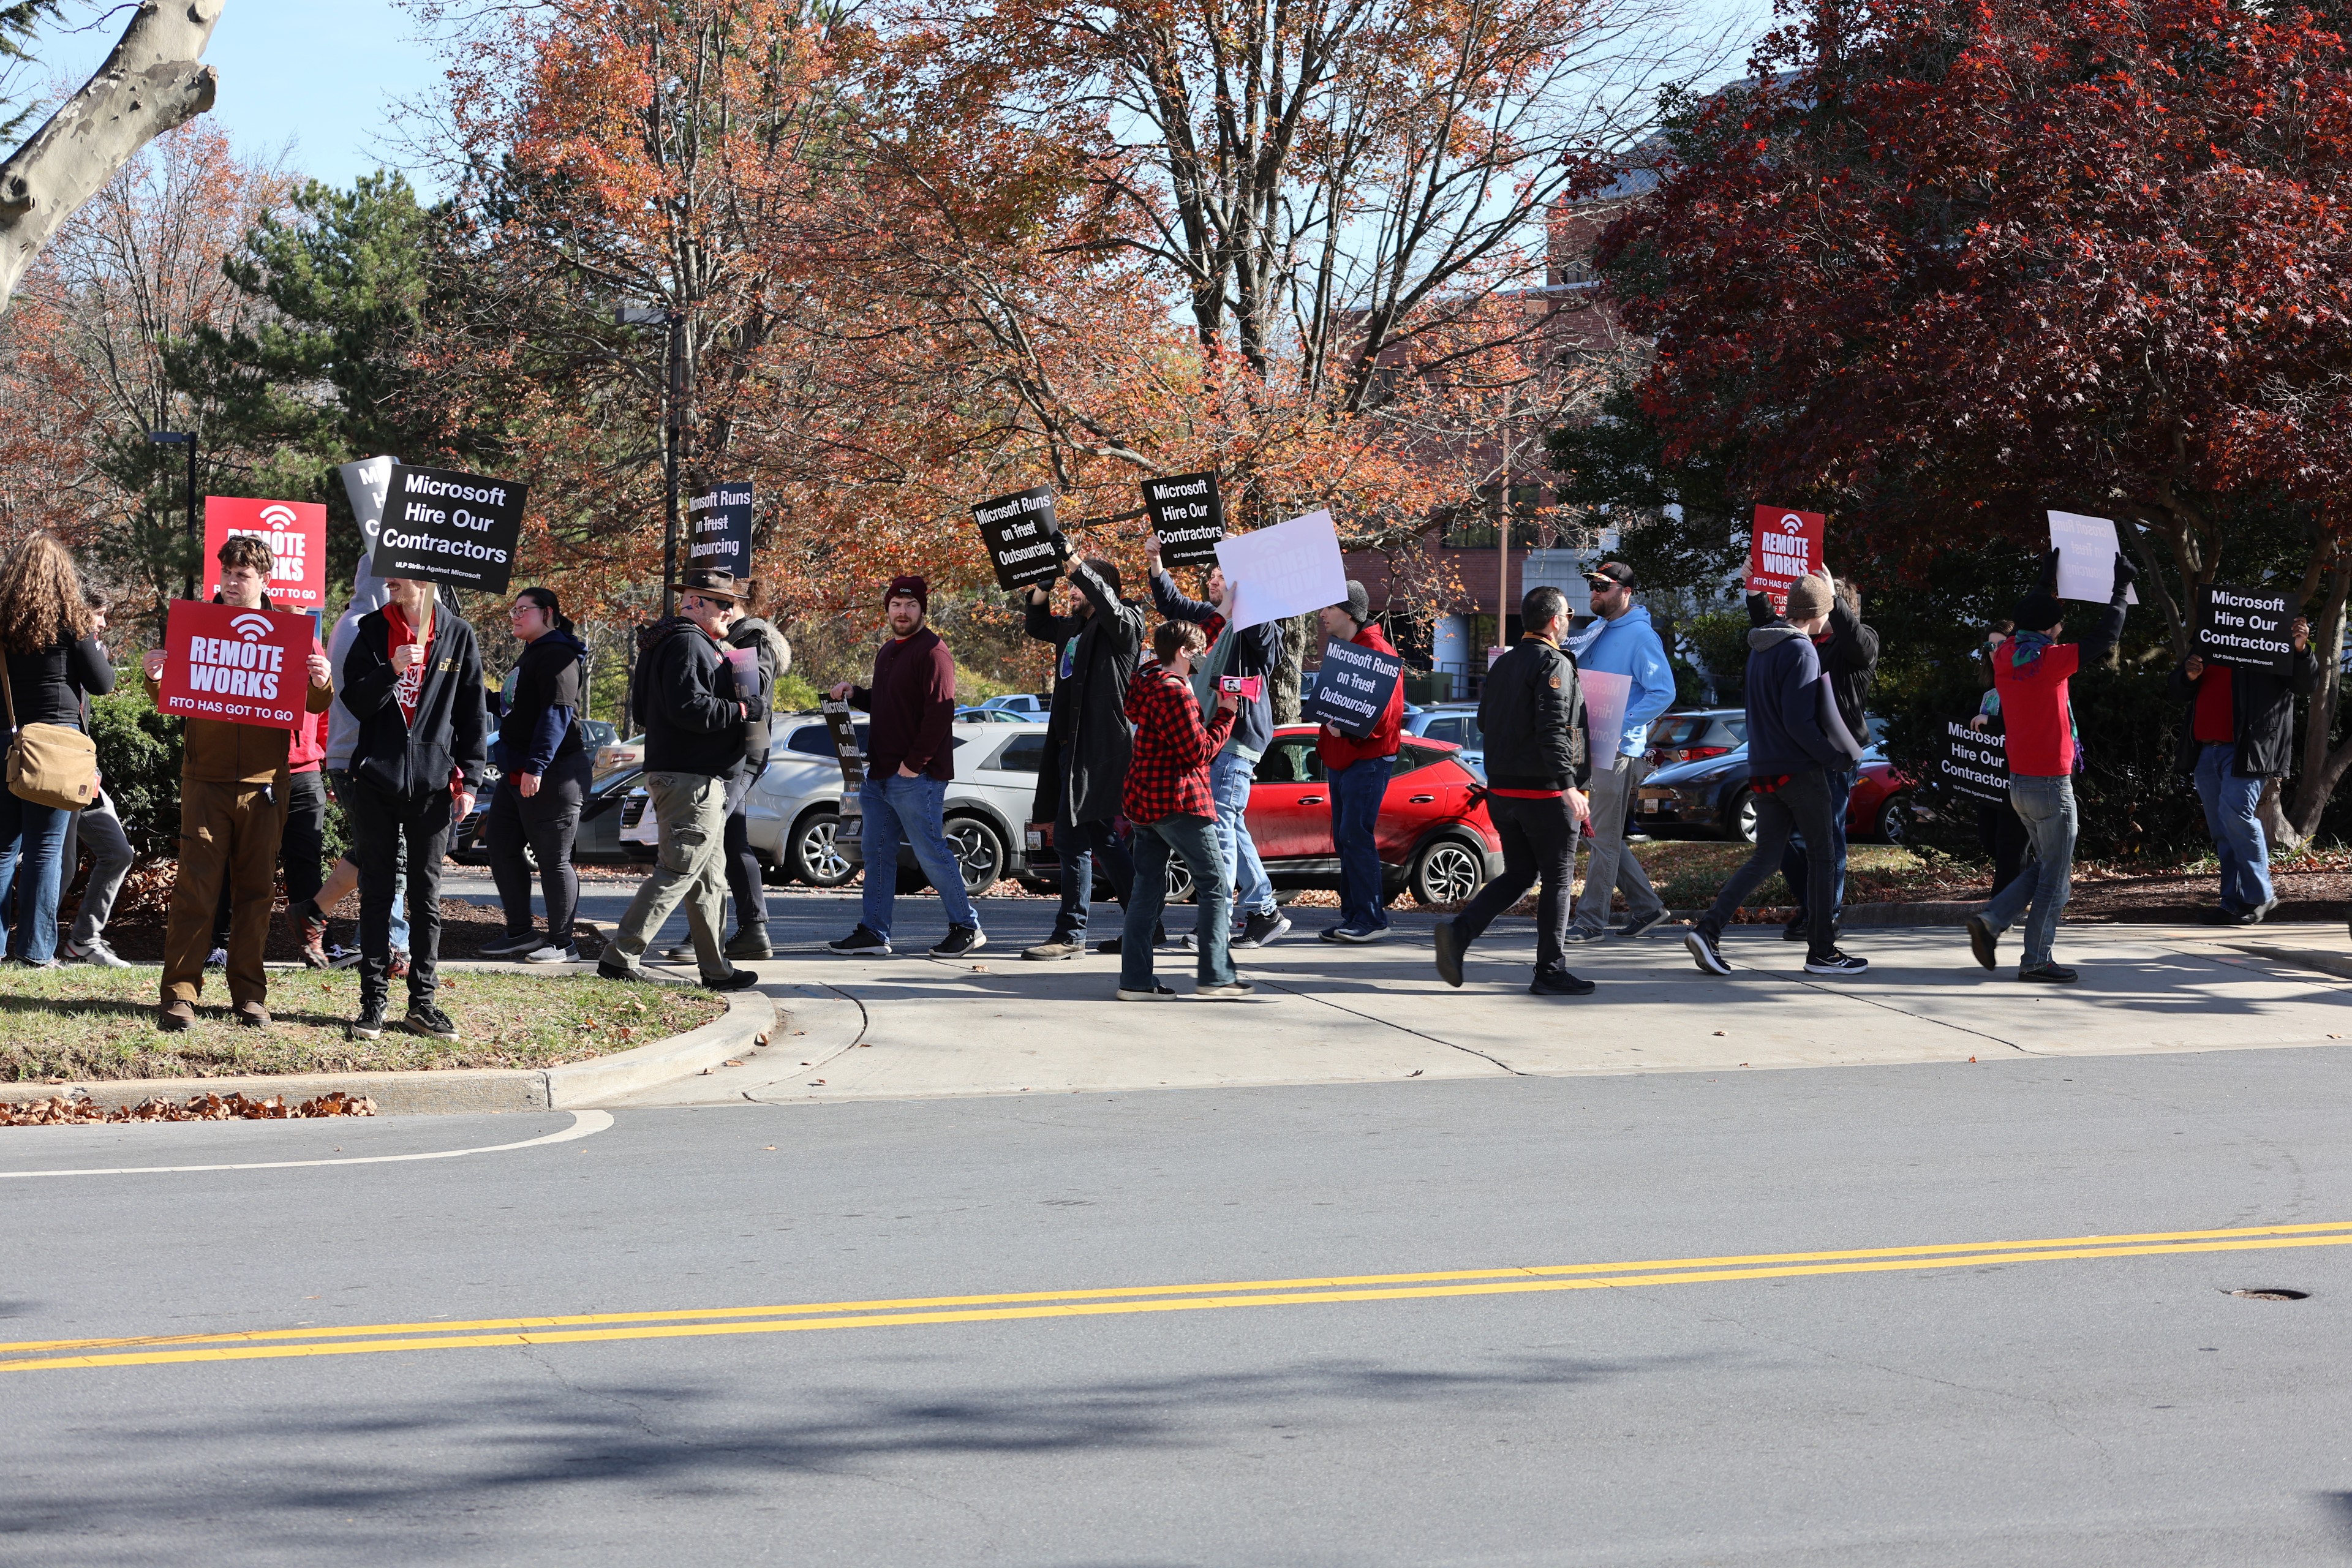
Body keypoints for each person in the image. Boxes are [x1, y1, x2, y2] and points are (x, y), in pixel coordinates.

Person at [144, 535, 334, 1028]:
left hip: (266, 783)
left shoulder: (291, 631)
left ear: (264, 579)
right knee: (196, 889)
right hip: (204, 778)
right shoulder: (195, 626)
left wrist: (321, 679)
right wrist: (152, 675)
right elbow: (167, 693)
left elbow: (316, 705)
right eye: (227, 572)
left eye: (242, 574)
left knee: (255, 894)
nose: (231, 581)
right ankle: (179, 996)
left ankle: (249, 995)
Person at [1684, 571, 1869, 978]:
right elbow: (1800, 723)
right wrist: (1835, 758)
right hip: (1800, 771)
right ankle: (1822, 953)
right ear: (1819, 612)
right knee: (1824, 857)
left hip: (1763, 768)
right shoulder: (1802, 651)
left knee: (1766, 857)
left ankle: (1708, 929)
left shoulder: (1763, 647)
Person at [1964, 546, 2135, 983]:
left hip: (2020, 784)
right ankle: (2036, 960)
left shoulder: (2005, 657)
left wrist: (2045, 578)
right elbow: (2104, 638)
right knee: (2055, 882)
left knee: (2046, 866)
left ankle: (1993, 920)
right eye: (2058, 623)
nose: (2062, 628)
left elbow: (2028, 621)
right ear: (2046, 628)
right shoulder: (2049, 662)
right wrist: (2120, 589)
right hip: (2051, 786)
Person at [338, 575, 491, 1039]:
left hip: (432, 785)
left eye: (398, 579)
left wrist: (469, 780)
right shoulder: (371, 630)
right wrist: (391, 669)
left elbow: (472, 713)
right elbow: (355, 701)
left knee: (426, 897)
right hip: (376, 781)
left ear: (424, 582)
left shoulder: (457, 633)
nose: (389, 585)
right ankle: (372, 1002)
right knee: (378, 892)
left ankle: (422, 1003)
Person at [600, 569, 767, 987]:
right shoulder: (690, 643)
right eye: (724, 603)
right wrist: (742, 710)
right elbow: (691, 708)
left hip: (687, 775)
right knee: (678, 870)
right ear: (696, 605)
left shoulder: (664, 643)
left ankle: (716, 970)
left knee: (710, 879)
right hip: (691, 779)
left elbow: (644, 712)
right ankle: (620, 957)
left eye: (731, 603)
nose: (732, 612)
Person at [1433, 586, 1596, 996]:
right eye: (1568, 614)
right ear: (1555, 621)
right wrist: (1568, 785)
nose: (1570, 620)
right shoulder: (1552, 664)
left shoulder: (1503, 664)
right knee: (1558, 881)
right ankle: (1550, 971)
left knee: (1522, 874)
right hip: (1544, 794)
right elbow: (1555, 729)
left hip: (1503, 793)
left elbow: (1486, 722)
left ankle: (1459, 933)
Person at [1145, 530, 1288, 949]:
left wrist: (1248, 574)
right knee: (1232, 823)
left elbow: (1268, 648)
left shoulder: (1257, 623)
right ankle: (1264, 911)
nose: (1214, 580)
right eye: (1211, 574)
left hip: (1238, 738)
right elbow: (1172, 605)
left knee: (1220, 822)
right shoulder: (1208, 623)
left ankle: (1218, 921)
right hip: (1214, 739)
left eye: (1224, 574)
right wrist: (1157, 562)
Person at [826, 575, 984, 957]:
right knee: (876, 852)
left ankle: (967, 927)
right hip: (879, 776)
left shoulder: (933, 651)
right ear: (888, 608)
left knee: (931, 851)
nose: (903, 611)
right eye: (896, 604)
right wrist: (856, 695)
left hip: (917, 778)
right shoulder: (888, 651)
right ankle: (874, 933)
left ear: (923, 610)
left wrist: (913, 766)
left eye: (911, 605)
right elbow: (888, 703)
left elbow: (939, 714)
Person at [1019, 551, 1145, 959]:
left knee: (1072, 840)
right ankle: (1148, 923)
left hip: (1101, 751)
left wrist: (1076, 563)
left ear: (1100, 586)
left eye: (1078, 585)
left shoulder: (1125, 623)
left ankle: (1070, 934)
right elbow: (1036, 623)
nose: (1072, 591)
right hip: (1068, 750)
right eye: (1071, 584)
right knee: (1104, 840)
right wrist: (1042, 586)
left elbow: (1109, 605)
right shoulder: (1073, 627)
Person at [1115, 620, 1250, 1000]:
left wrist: (1218, 615)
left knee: (1146, 889)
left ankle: (1136, 981)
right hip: (1177, 801)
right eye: (1196, 650)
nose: (1202, 657)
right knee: (1214, 883)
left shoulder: (1147, 681)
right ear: (1182, 653)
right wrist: (1226, 713)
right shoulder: (1174, 692)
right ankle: (1215, 976)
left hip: (1145, 803)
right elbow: (1197, 753)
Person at [1744, 570, 1880, 943]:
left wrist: (1832, 599)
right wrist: (1755, 592)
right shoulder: (1801, 641)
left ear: (1836, 609)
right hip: (1798, 756)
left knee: (1828, 841)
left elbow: (1857, 642)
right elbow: (1770, 628)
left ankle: (1824, 918)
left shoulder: (1856, 642)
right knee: (1782, 841)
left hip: (1834, 756)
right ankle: (1813, 907)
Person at [0, 533, 111, 967]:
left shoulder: (4, 622)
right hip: (57, 745)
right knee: (46, 850)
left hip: (7, 739)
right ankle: (35, 950)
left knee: (4, 849)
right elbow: (102, 684)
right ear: (63, 576)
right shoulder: (72, 624)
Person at [668, 590, 790, 962]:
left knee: (712, 836)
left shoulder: (751, 641)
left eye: (715, 604)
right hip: (729, 754)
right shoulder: (729, 640)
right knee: (732, 838)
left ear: (731, 608)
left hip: (744, 753)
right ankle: (753, 931)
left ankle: (704, 935)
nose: (708, 611)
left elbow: (754, 698)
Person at [2168, 613, 2313, 925]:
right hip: (2207, 752)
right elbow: (2177, 690)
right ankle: (2231, 902)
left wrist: (2300, 650)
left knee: (2236, 815)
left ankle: (2261, 896)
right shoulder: (2206, 648)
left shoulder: (2264, 649)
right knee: (2223, 828)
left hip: (2247, 751)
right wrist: (2187, 677)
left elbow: (2304, 685)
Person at [483, 586, 595, 962]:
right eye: (512, 610)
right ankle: (520, 933)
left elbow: (557, 713)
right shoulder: (532, 655)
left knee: (553, 859)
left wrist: (537, 766)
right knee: (501, 846)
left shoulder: (558, 655)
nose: (514, 616)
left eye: (523, 610)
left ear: (547, 613)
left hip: (553, 772)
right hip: (518, 770)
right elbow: (510, 706)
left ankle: (564, 943)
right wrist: (469, 689)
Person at [1565, 562, 1674, 943]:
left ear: (1626, 592)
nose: (1594, 592)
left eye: (1603, 586)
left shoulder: (1642, 636)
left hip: (1617, 749)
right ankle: (1648, 909)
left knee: (1601, 836)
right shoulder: (1597, 628)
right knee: (1598, 835)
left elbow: (1664, 691)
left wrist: (1623, 721)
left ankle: (1591, 922)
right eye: (1593, 585)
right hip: (1589, 744)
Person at [1316, 580, 1404, 942]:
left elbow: (1388, 716)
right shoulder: (1348, 648)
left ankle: (1370, 919)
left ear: (1350, 613)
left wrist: (1347, 731)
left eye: (1329, 609)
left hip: (1366, 760)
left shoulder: (1377, 650)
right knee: (1344, 837)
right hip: (1343, 759)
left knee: (1355, 835)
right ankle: (1353, 916)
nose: (1322, 615)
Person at [56, 586, 134, 968]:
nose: (103, 623)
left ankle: (83, 941)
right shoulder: (56, 648)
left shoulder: (90, 653)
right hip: (55, 772)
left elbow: (100, 690)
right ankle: (34, 944)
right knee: (62, 864)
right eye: (97, 615)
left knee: (118, 852)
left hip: (83, 773)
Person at [1967, 624, 2029, 897]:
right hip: (1991, 780)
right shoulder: (1991, 692)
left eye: (2002, 644)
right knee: (1990, 840)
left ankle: (2002, 905)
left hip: (2021, 775)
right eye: (1990, 646)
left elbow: (2026, 725)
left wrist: (1991, 722)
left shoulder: (2029, 681)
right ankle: (2030, 882)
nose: (1995, 651)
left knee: (2009, 843)